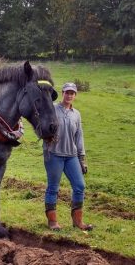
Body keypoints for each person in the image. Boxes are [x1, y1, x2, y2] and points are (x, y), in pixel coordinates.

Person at [43, 82, 93, 231]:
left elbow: (79, 136)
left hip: (71, 156)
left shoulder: (76, 114)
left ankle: (78, 222)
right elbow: (41, 126)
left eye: (72, 93)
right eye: (67, 92)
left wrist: (81, 158)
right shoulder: (52, 109)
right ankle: (52, 222)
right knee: (53, 188)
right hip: (54, 155)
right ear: (62, 93)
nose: (69, 95)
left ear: (75, 95)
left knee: (80, 186)